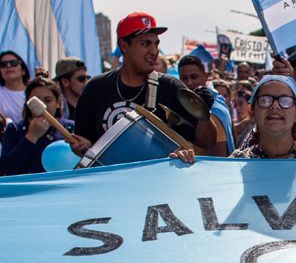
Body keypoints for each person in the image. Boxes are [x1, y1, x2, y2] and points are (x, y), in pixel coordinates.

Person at [71, 11, 213, 155]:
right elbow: (85, 142)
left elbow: (207, 142)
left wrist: (204, 114)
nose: (154, 51)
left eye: (156, 44)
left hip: (155, 177)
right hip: (109, 176)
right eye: (145, 44)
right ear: (124, 45)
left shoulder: (170, 87)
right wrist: (82, 147)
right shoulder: (96, 88)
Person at [170, 76, 296, 163]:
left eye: (285, 101)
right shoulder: (236, 163)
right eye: (265, 100)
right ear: (253, 112)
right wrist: (184, 166)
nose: (275, 106)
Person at [0, 76, 76, 176]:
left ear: (58, 103)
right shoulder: (15, 129)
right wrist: (31, 137)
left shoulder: (71, 127)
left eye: (47, 100)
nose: (42, 104)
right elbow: (8, 168)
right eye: (37, 100)